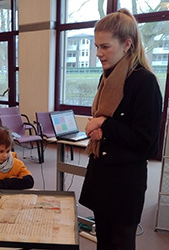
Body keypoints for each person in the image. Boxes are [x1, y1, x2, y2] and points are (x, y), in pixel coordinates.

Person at [79, 9, 162, 250]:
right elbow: (105, 119)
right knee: (102, 238)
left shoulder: (145, 82)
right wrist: (99, 129)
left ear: (127, 44)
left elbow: (147, 143)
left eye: (105, 47)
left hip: (125, 181)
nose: (98, 53)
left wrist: (105, 125)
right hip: (101, 173)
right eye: (96, 46)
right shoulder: (107, 77)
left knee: (121, 241)